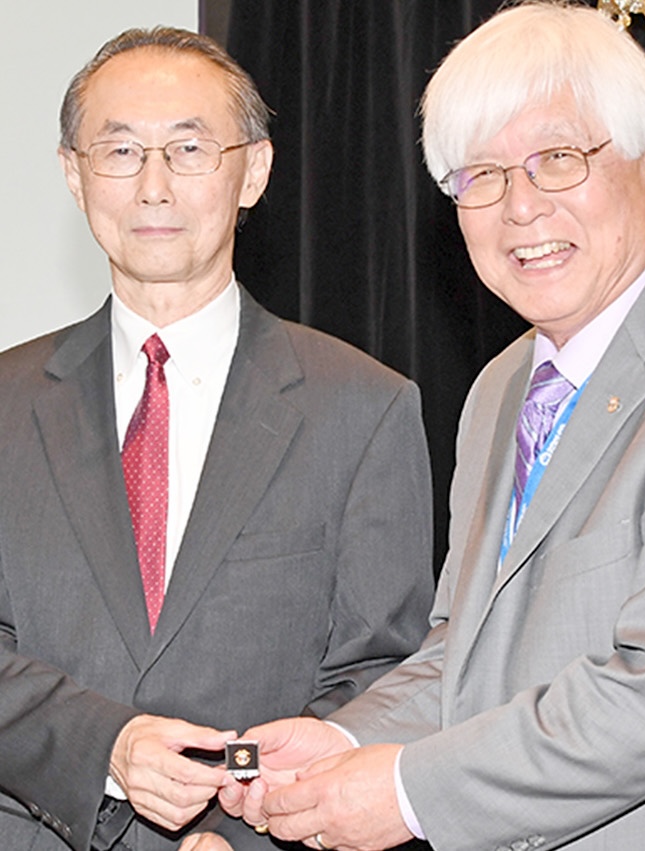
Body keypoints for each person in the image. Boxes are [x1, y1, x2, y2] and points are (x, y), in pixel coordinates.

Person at [189, 2, 645, 850]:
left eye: (557, 159)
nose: (520, 208)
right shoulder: (500, 388)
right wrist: (348, 740)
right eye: (482, 175)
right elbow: (464, 652)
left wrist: (405, 792)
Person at [0, 26, 434, 851]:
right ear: (74, 174)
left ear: (254, 171)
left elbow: (387, 672)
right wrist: (106, 747)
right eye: (120, 151)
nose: (153, 187)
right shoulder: (5, 403)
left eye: (190, 149)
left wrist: (258, 828)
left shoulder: (364, 407)